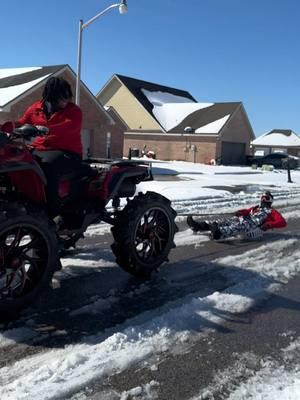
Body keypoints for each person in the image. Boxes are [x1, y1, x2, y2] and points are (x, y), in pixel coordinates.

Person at [1, 76, 83, 214]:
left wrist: (42, 129)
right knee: (18, 162)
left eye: (68, 98)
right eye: (63, 98)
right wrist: (7, 127)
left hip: (67, 152)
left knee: (46, 167)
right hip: (40, 149)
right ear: (52, 96)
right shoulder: (35, 108)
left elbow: (68, 127)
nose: (66, 101)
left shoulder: (73, 111)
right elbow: (22, 122)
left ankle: (52, 212)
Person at [187, 191, 287, 240]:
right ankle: (200, 226)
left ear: (270, 200)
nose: (263, 200)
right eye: (262, 197)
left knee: (240, 225)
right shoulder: (256, 207)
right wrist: (240, 212)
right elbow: (247, 211)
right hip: (246, 220)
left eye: (266, 198)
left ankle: (219, 233)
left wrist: (269, 225)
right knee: (228, 220)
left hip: (254, 227)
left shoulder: (272, 211)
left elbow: (282, 222)